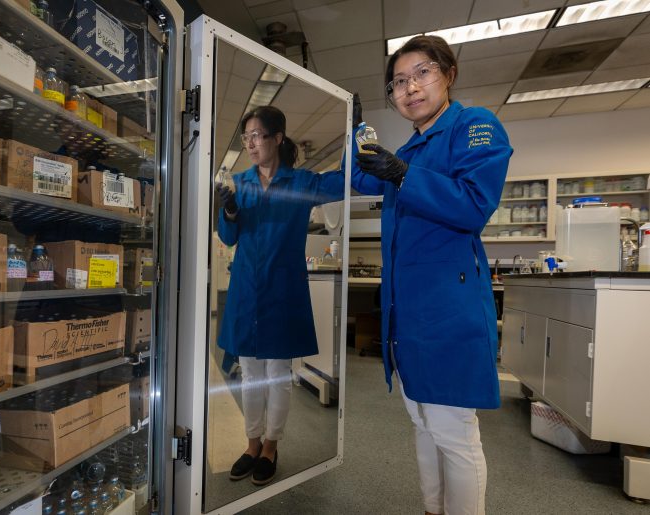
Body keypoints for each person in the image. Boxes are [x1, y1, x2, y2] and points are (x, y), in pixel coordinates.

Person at [351, 35, 513, 515]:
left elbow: (473, 205)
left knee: (454, 433)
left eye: (422, 72)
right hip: (410, 312)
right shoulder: (412, 146)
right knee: (422, 419)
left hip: (447, 309)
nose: (410, 87)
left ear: (448, 73)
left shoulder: (475, 125)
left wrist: (402, 174)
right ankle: (432, 508)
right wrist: (352, 130)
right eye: (398, 81)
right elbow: (357, 175)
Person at [215, 105, 344, 486]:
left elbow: (342, 182)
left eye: (257, 135)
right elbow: (227, 237)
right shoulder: (240, 182)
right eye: (247, 137)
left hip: (283, 289)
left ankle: (271, 445)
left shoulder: (300, 183)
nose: (251, 144)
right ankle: (251, 443)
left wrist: (357, 144)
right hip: (246, 290)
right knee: (251, 372)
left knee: (278, 375)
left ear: (277, 138)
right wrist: (231, 209)